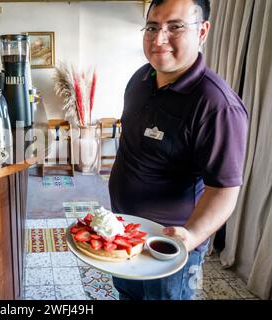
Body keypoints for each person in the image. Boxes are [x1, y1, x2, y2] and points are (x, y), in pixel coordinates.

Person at [108, 0, 248, 300]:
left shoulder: (217, 105)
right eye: (152, 27)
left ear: (202, 31)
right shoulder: (140, 79)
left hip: (171, 247)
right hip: (125, 233)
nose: (159, 39)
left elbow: (224, 190)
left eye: (175, 27)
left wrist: (192, 236)